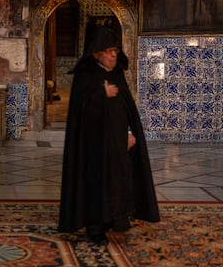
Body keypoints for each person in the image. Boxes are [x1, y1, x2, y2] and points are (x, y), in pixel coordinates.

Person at [58, 24, 160, 245]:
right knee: (96, 185)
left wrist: (131, 132)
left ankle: (115, 221)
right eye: (109, 51)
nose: (114, 55)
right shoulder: (85, 77)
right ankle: (95, 228)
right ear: (96, 53)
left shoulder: (117, 75)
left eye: (116, 50)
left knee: (118, 182)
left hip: (118, 145)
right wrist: (100, 94)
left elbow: (127, 110)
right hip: (94, 150)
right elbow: (80, 113)